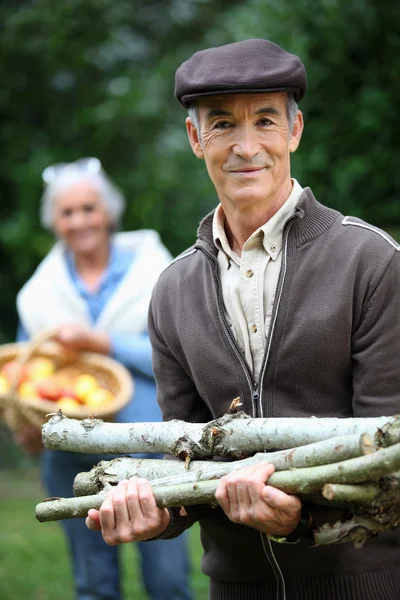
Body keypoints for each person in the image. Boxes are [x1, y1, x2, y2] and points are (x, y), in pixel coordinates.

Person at [86, 39, 400, 600]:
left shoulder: (371, 261)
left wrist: (298, 520)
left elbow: (390, 459)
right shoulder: (173, 289)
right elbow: (185, 456)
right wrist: (156, 512)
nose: (246, 146)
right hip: (236, 588)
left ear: (295, 131)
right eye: (223, 124)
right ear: (194, 139)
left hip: (362, 584)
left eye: (264, 120)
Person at [16, 157, 193, 600]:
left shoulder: (157, 272)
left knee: (168, 578)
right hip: (69, 449)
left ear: (109, 212)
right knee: (93, 582)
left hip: (149, 440)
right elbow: (25, 367)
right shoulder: (39, 293)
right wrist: (25, 420)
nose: (80, 221)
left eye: (89, 208)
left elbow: (183, 351)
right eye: (68, 212)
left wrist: (101, 342)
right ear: (54, 221)